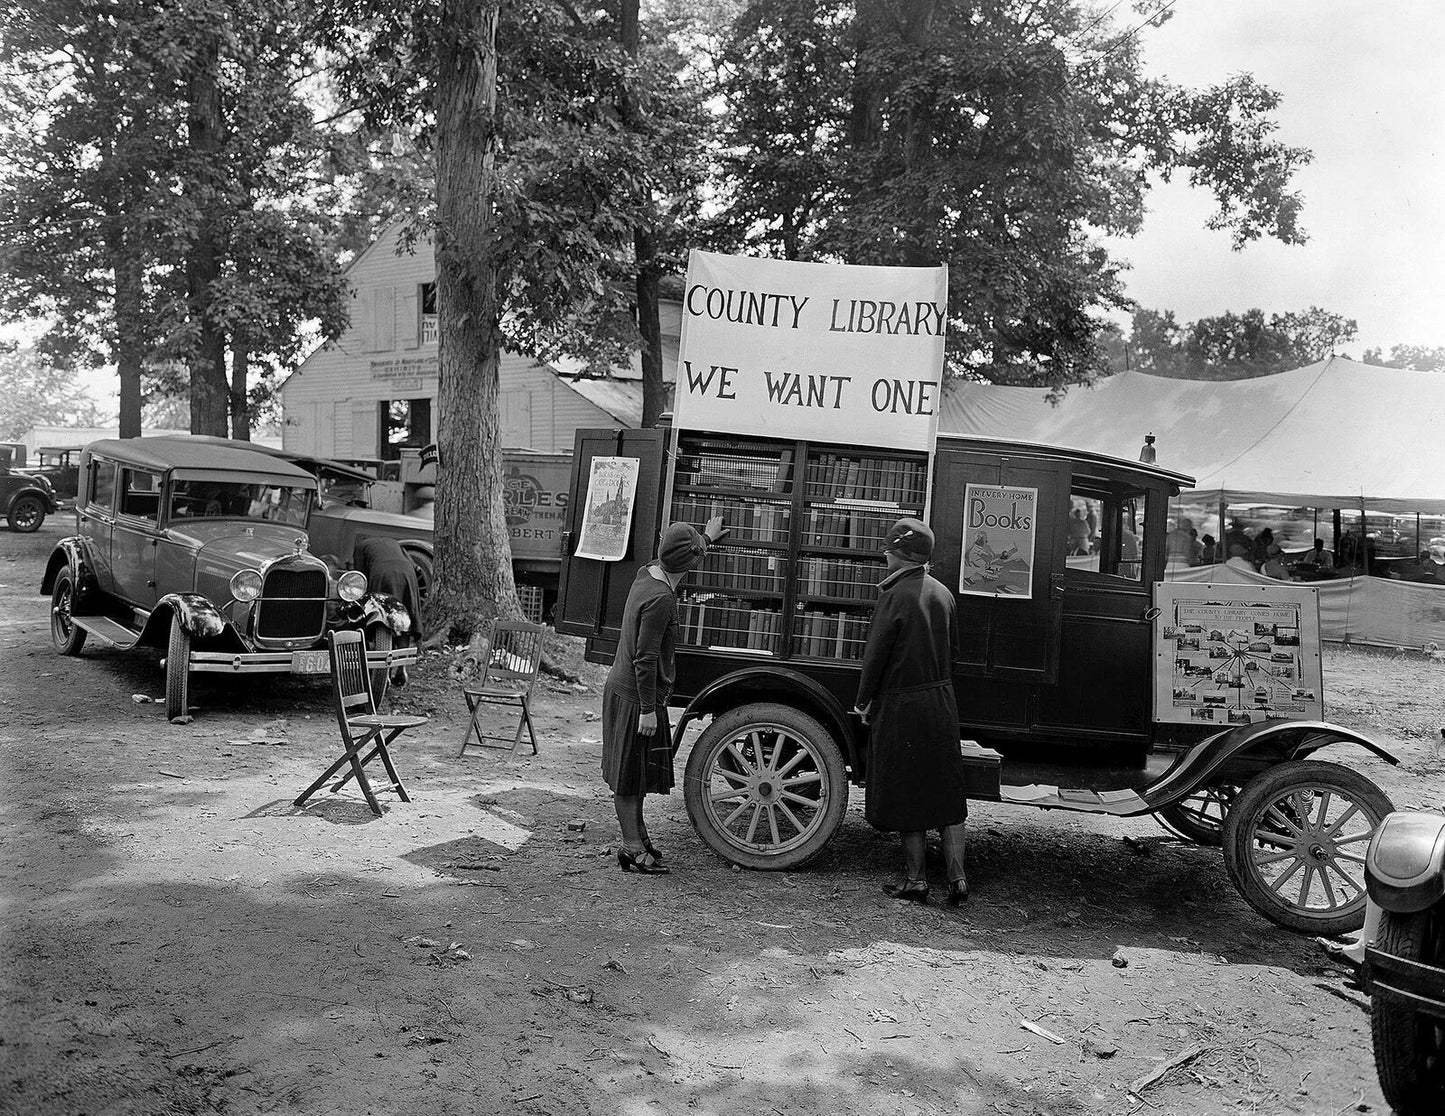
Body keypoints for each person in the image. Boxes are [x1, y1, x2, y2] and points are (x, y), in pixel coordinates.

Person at [854, 518, 970, 906]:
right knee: (946, 791)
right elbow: (954, 653)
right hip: (941, 701)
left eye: (889, 550)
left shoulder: (894, 595)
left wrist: (863, 701)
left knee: (908, 792)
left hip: (902, 703)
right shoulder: (944, 594)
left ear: (901, 555)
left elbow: (876, 656)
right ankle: (957, 878)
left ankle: (916, 880)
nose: (885, 555)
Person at [603, 516, 725, 874]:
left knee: (636, 771)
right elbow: (645, 657)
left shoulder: (649, 572)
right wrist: (647, 710)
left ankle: (638, 836)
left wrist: (706, 537)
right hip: (636, 697)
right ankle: (629, 846)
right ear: (687, 564)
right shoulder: (661, 600)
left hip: (624, 690)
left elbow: (682, 553)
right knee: (628, 775)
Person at [355, 536, 424, 687]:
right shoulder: (394, 543)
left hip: (382, 574)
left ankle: (383, 673)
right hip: (407, 574)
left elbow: (359, 578)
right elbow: (416, 567)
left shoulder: (360, 547)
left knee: (380, 616)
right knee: (404, 619)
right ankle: (402, 667)